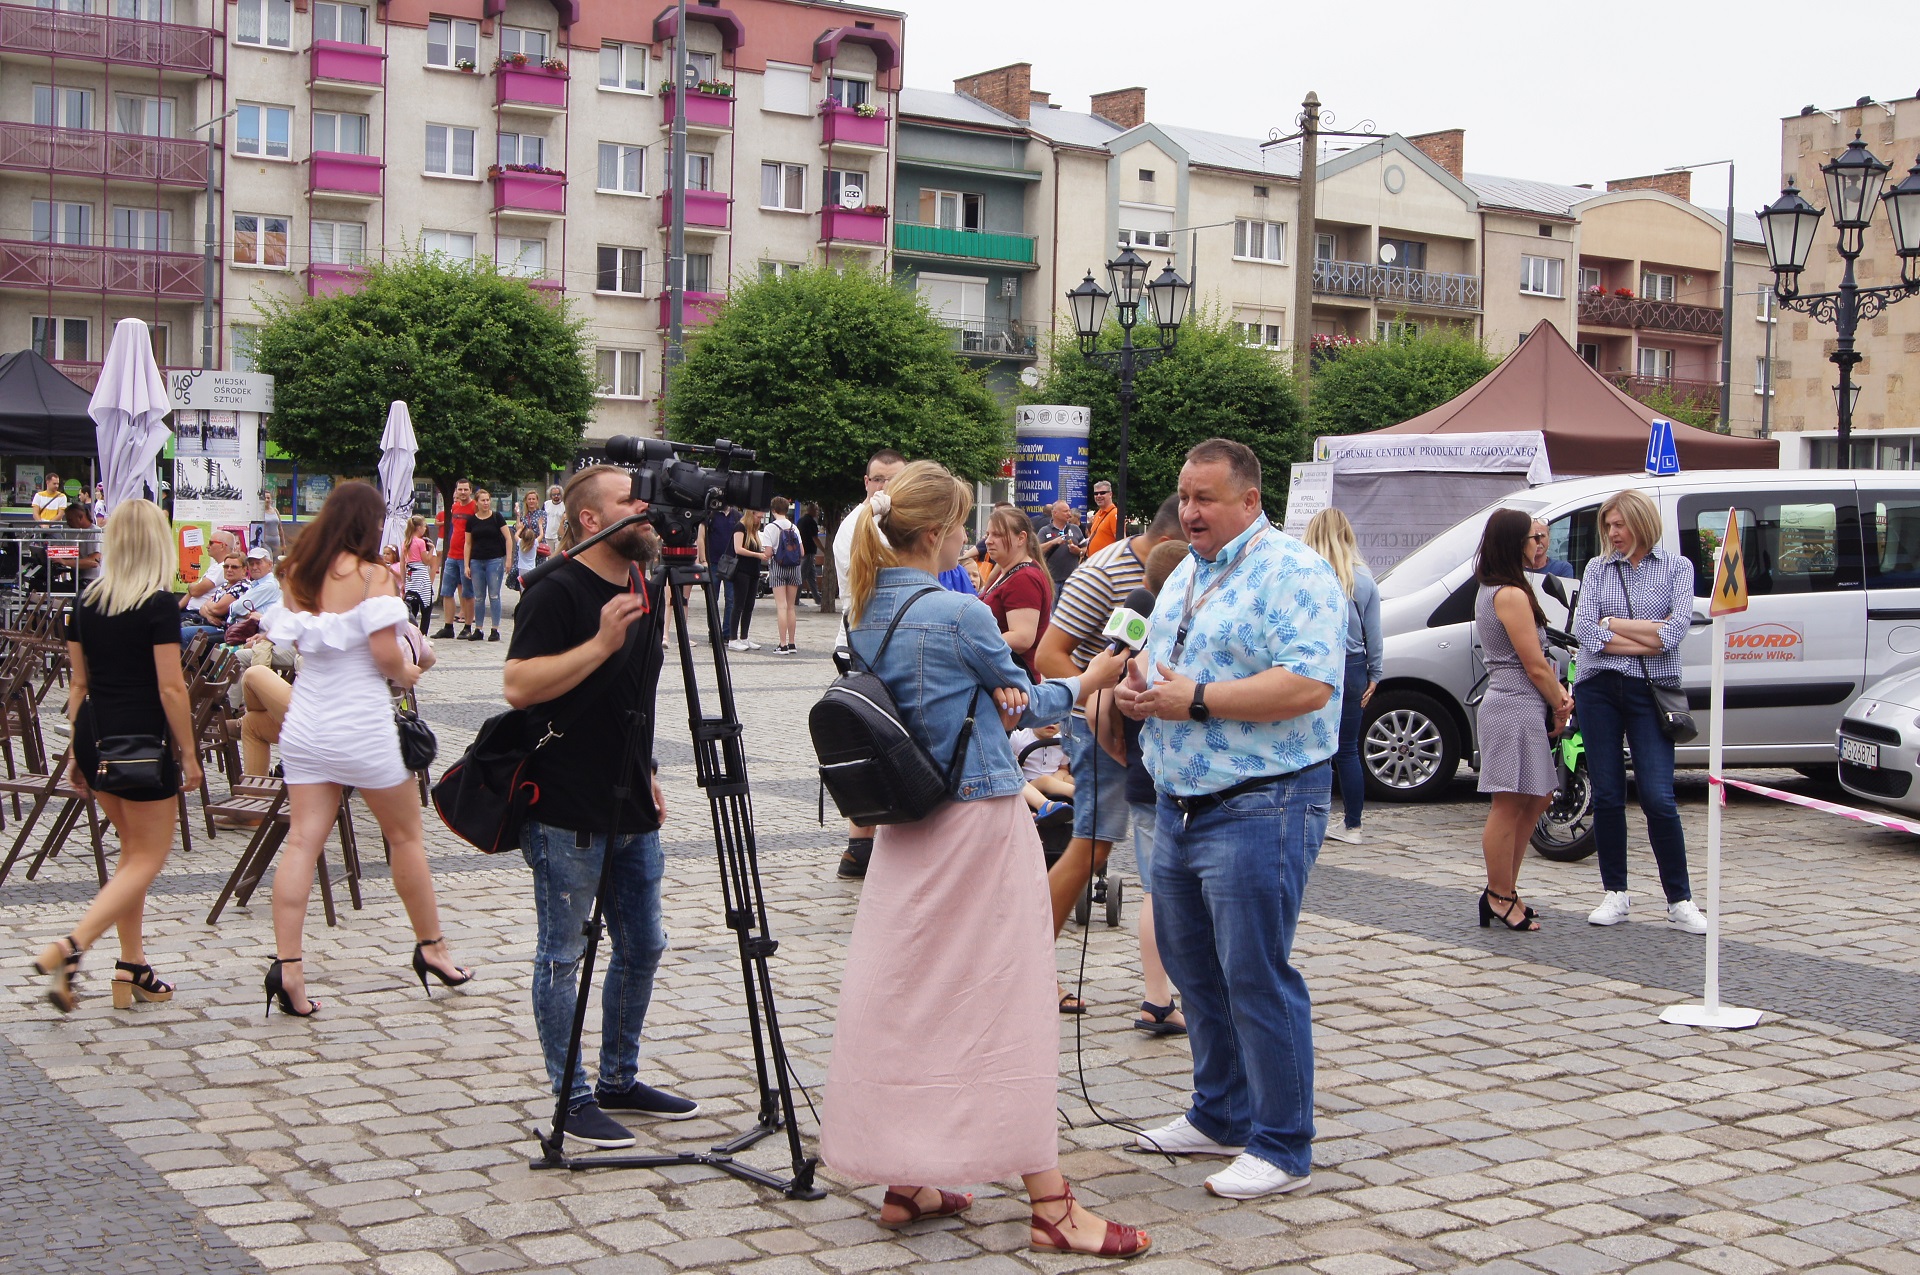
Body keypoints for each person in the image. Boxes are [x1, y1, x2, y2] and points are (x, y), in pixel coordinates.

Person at [820, 460, 1147, 1260]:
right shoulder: (959, 613)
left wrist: (997, 693)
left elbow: (989, 695)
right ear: (933, 533)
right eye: (962, 526)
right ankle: (1052, 1204)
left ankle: (910, 1177)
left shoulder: (866, 607)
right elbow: (1026, 699)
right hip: (974, 816)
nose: (968, 540)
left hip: (908, 825)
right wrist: (1094, 676)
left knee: (913, 994)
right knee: (1005, 996)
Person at [1119, 437, 1346, 1202]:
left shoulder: (1297, 572)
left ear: (1249, 500)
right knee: (1194, 969)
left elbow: (1311, 682)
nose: (1189, 511)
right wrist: (1141, 690)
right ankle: (1219, 1112)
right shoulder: (1188, 568)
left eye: (1204, 498)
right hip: (1182, 798)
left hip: (1262, 800)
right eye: (1184, 497)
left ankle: (1282, 1143)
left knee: (1255, 972)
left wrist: (1200, 699)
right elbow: (1167, 660)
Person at [504, 464, 699, 1148]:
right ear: (593, 518)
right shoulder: (555, 590)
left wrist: (646, 766)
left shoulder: (643, 583)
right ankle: (573, 1094)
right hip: (565, 806)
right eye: (631, 502)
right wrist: (597, 644)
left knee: (644, 942)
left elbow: (635, 696)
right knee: (562, 954)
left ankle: (620, 1075)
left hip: (629, 799)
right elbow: (518, 685)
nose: (647, 511)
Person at [260, 481, 469, 1018]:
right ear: (371, 524)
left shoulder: (299, 574)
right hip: (361, 722)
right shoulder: (375, 575)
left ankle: (288, 968)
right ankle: (432, 947)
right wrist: (417, 669)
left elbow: (293, 643)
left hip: (307, 719)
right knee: (404, 837)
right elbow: (386, 659)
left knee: (303, 840)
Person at [30, 499, 203, 1013]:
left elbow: (78, 683)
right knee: (148, 857)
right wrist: (190, 754)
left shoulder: (84, 604)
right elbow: (172, 689)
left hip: (96, 734)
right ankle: (70, 947)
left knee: (131, 858)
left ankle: (132, 965)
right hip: (142, 743)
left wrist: (73, 752)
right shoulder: (156, 605)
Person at [1032, 494, 1184, 980]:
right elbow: (1050, 657)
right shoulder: (1102, 573)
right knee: (1092, 846)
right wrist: (1103, 706)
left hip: (1154, 733)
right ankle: (1033, 972)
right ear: (1165, 544)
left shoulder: (1181, 574)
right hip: (1099, 728)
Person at [1573, 489, 1707, 934]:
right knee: (1608, 793)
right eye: (1608, 526)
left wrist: (1614, 626)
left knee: (1658, 796)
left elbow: (1674, 633)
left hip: (1652, 690)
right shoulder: (1596, 568)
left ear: (1641, 523)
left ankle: (1680, 899)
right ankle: (1616, 892)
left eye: (1619, 524)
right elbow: (1586, 634)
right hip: (1599, 689)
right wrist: (1638, 635)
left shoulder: (1676, 567)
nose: (1612, 533)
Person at [1095, 538, 1190, 1036]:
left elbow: (1095, 705)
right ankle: (1175, 995)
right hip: (1183, 781)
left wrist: (1116, 750)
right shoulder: (1183, 629)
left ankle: (1158, 996)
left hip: (1142, 777)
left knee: (1157, 890)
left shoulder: (1129, 630)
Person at [1474, 509, 1572, 932]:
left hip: (1521, 704)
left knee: (1536, 798)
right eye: (1532, 538)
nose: (1540, 544)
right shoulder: (1508, 593)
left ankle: (1505, 889)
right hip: (1514, 703)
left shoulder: (1505, 588)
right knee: (1510, 802)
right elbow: (1533, 664)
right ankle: (1499, 895)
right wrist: (1561, 702)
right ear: (1514, 543)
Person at [832, 450, 907, 879]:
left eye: (894, 481)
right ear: (866, 482)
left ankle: (862, 845)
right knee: (873, 743)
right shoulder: (861, 525)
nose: (885, 489)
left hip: (871, 642)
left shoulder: (877, 523)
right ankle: (862, 846)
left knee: (875, 742)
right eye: (879, 480)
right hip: (867, 646)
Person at [1303, 509, 1383, 846]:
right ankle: (1353, 825)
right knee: (1348, 750)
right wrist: (1375, 675)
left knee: (1309, 747)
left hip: (1313, 665)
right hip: (1353, 666)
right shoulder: (1363, 579)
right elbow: (1373, 635)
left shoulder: (1305, 573)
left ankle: (1308, 816)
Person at [979, 504, 1052, 681]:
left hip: (1014, 681)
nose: (988, 540)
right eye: (988, 534)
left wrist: (974, 645)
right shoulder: (1011, 571)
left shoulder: (1024, 578)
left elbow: (1022, 638)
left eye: (997, 535)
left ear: (1021, 538)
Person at [462, 488, 510, 642]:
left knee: (494, 595)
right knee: (479, 597)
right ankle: (479, 628)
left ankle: (495, 629)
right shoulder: (471, 521)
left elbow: (508, 538)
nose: (486, 503)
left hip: (494, 560)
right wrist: (466, 565)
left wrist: (508, 559)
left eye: (488, 500)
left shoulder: (497, 517)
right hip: (477, 560)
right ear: (476, 502)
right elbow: (468, 543)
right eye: (482, 500)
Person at [432, 480, 477, 639]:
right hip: (451, 555)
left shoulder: (475, 508)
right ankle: (448, 626)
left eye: (466, 489)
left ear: (471, 490)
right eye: (460, 489)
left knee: (467, 593)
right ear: (456, 491)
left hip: (467, 558)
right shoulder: (455, 507)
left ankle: (467, 626)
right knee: (446, 592)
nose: (463, 492)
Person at [724, 509, 768, 651]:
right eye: (758, 517)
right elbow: (738, 549)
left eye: (761, 518)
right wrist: (757, 555)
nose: (759, 520)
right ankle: (732, 638)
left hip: (753, 571)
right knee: (738, 604)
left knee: (749, 605)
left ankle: (744, 637)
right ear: (751, 514)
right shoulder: (740, 527)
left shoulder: (754, 530)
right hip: (742, 571)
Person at [765, 497, 803, 653]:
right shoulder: (794, 527)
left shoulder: (770, 528)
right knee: (791, 607)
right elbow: (801, 552)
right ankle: (792, 643)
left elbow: (768, 553)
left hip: (778, 566)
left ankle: (783, 644)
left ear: (773, 510)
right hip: (794, 567)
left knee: (781, 606)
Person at [181, 551, 246, 642]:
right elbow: (202, 608)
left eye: (234, 567)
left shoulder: (242, 587)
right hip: (207, 622)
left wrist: (209, 606)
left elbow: (217, 609)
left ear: (244, 570)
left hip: (224, 630)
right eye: (226, 566)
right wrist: (209, 615)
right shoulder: (224, 586)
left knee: (182, 634)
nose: (229, 569)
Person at [1036, 499, 1086, 593]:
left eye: (1069, 511)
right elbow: (1036, 550)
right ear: (1055, 513)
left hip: (1072, 580)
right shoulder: (1045, 531)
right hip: (1051, 580)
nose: (1069, 514)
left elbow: (1085, 548)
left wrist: (1078, 551)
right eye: (1065, 511)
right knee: (1052, 607)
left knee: (1070, 608)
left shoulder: (1075, 528)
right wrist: (1053, 542)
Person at [403, 515, 434, 628]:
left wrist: (403, 581)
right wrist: (431, 550)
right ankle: (423, 633)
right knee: (426, 604)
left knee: (412, 605)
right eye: (424, 526)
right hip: (421, 574)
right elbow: (426, 561)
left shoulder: (406, 542)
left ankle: (410, 629)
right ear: (419, 528)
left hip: (410, 575)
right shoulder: (420, 542)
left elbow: (403, 563)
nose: (425, 529)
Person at [796, 501, 821, 603]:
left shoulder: (800, 521)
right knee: (802, 576)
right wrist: (824, 550)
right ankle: (795, 599)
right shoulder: (811, 522)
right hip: (809, 552)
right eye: (816, 509)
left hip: (802, 551)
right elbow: (815, 538)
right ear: (811, 510)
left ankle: (818, 599)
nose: (817, 512)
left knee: (811, 577)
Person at [1086, 481, 1119, 555]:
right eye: (1096, 493)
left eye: (1102, 493)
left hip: (1106, 563)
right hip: (1095, 562)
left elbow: (1120, 542)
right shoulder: (1098, 514)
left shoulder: (1114, 514)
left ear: (1110, 494)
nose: (1098, 496)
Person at [509, 522, 541, 594]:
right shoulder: (535, 543)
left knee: (523, 587)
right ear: (533, 537)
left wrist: (520, 529)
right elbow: (541, 535)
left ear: (523, 537)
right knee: (531, 587)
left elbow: (515, 536)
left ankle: (523, 598)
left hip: (521, 568)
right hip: (531, 568)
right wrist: (540, 525)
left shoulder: (520, 542)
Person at [541, 484, 566, 553]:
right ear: (550, 495)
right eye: (554, 494)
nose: (556, 496)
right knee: (548, 557)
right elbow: (541, 518)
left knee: (557, 555)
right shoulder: (546, 504)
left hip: (558, 537)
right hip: (547, 535)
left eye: (558, 494)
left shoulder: (564, 505)